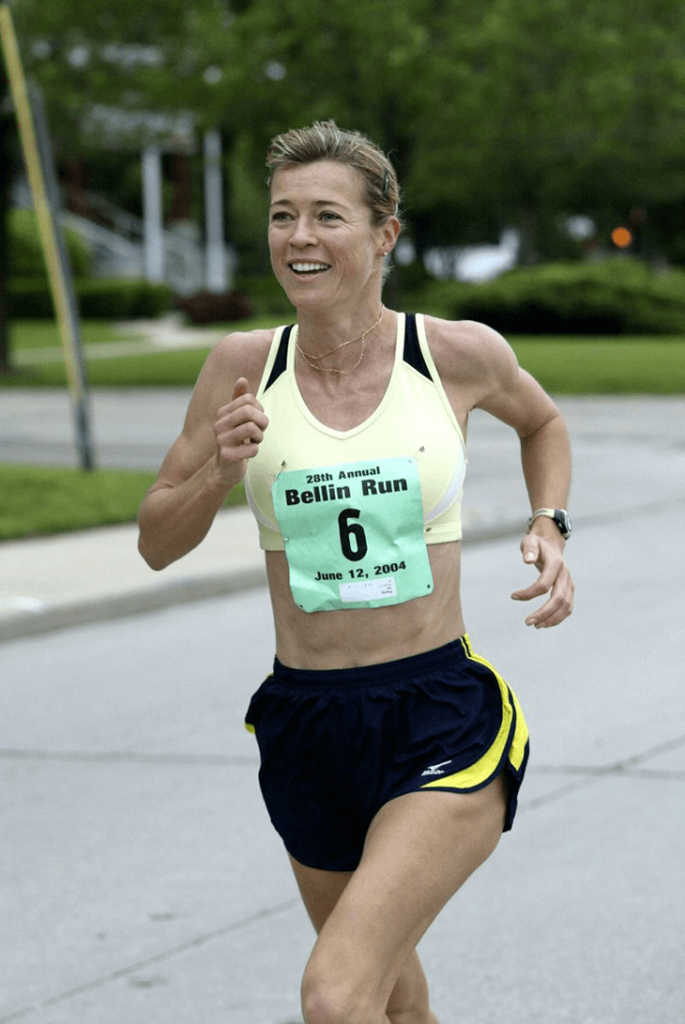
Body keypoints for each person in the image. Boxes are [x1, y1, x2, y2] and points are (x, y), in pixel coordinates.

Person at [138, 120, 574, 1024]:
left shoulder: (452, 354)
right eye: (281, 216)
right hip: (305, 724)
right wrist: (218, 472)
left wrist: (548, 523)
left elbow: (542, 422)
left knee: (335, 996)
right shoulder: (238, 368)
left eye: (326, 216)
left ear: (384, 234)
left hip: (438, 713)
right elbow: (155, 539)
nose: (298, 238)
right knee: (391, 998)